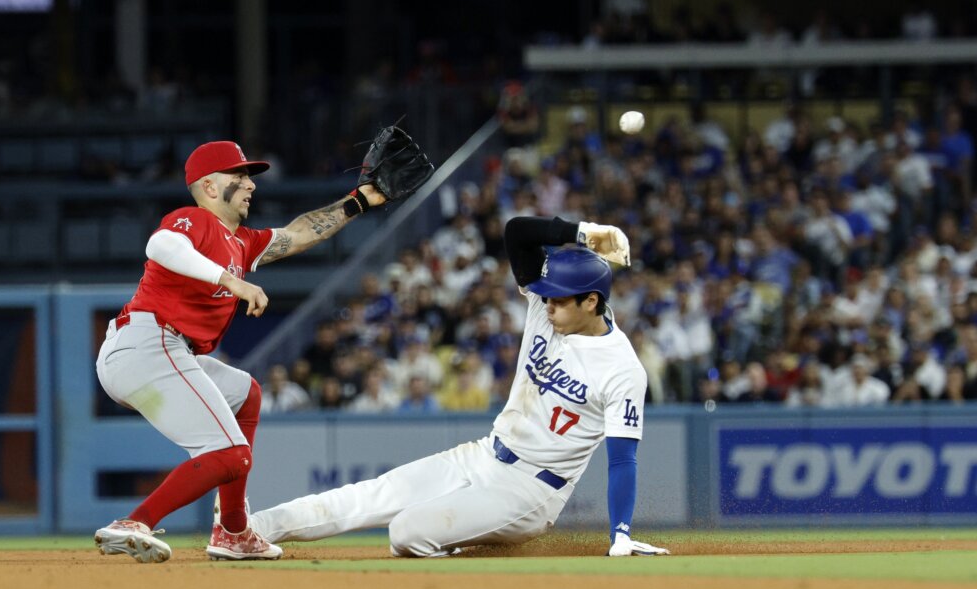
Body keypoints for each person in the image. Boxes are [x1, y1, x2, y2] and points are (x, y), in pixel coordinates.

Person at [245, 216, 669, 558]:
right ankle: (249, 527)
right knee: (369, 495)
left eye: (559, 299)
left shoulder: (622, 369)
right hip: (485, 454)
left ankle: (463, 557)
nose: (548, 304)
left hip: (533, 491)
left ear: (591, 301)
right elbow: (517, 232)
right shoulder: (546, 308)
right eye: (549, 297)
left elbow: (622, 460)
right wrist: (582, 233)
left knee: (407, 532)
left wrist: (621, 533)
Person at [93, 140, 388, 563]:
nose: (250, 184)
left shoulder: (241, 243)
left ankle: (233, 530)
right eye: (240, 176)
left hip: (160, 350)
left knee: (245, 393)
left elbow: (298, 233)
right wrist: (233, 283)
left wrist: (359, 200)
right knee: (230, 454)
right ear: (210, 187)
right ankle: (134, 522)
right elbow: (159, 247)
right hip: (147, 342)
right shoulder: (192, 219)